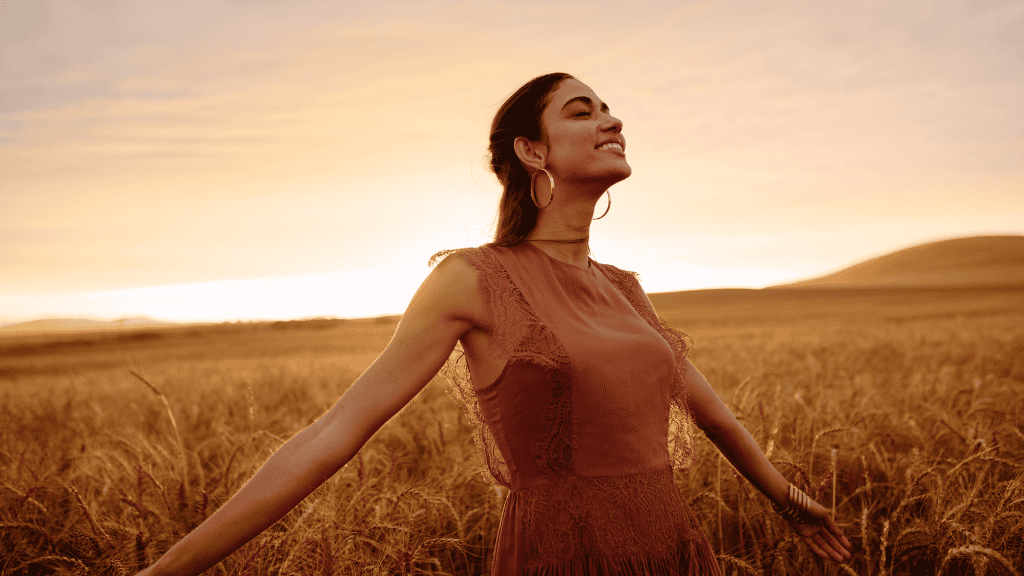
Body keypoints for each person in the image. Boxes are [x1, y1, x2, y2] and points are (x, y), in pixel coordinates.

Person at [137, 73, 852, 575]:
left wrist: (789, 501)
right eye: (581, 110)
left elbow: (709, 411)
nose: (611, 119)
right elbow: (334, 433)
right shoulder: (472, 279)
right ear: (532, 152)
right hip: (565, 556)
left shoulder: (626, 290)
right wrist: (169, 570)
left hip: (670, 546)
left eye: (609, 107)